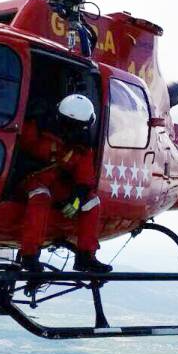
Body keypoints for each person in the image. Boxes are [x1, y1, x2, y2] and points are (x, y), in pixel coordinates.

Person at [17, 93, 111, 273]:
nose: (72, 131)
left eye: (76, 127)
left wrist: (76, 199)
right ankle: (29, 255)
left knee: (92, 202)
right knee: (40, 195)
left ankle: (85, 256)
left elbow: (85, 179)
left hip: (55, 183)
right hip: (30, 179)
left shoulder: (82, 146)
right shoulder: (37, 129)